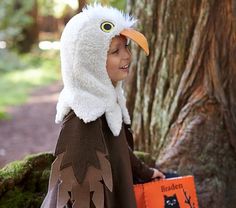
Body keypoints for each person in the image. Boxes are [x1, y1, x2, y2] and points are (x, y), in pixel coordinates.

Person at [41, 4, 165, 208]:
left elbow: (118, 148)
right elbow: (77, 189)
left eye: (126, 47)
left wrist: (146, 172)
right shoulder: (83, 118)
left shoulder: (104, 103)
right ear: (90, 62)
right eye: (115, 51)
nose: (126, 56)